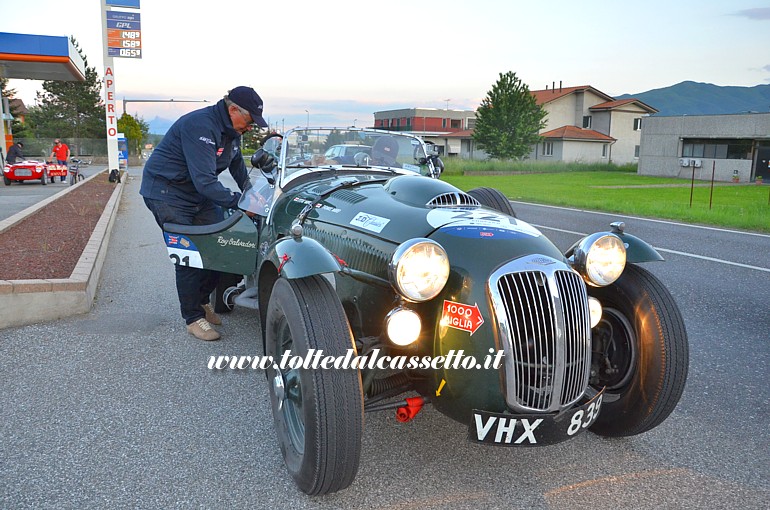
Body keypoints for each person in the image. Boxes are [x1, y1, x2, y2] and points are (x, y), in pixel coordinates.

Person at [140, 86, 268, 341]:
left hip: (197, 196)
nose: (250, 127)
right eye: (249, 120)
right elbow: (205, 181)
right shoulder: (200, 126)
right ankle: (192, 317)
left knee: (218, 249)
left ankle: (202, 301)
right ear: (233, 110)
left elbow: (237, 167)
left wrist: (254, 195)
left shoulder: (233, 131)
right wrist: (242, 204)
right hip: (166, 193)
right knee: (190, 254)